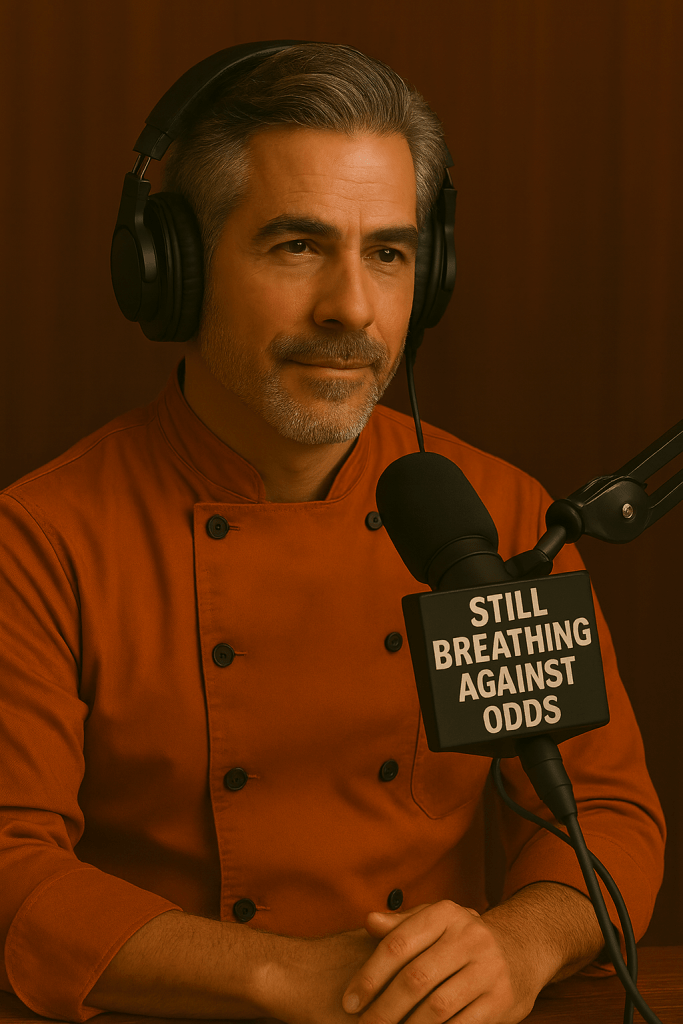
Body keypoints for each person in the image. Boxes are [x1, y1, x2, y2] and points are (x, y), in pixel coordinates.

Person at [0, 41, 664, 1024]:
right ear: (170, 268)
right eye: (295, 246)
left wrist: (516, 944)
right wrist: (279, 973)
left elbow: (604, 813)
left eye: (388, 253)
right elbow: (10, 865)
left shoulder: (499, 513)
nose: (352, 308)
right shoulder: (41, 539)